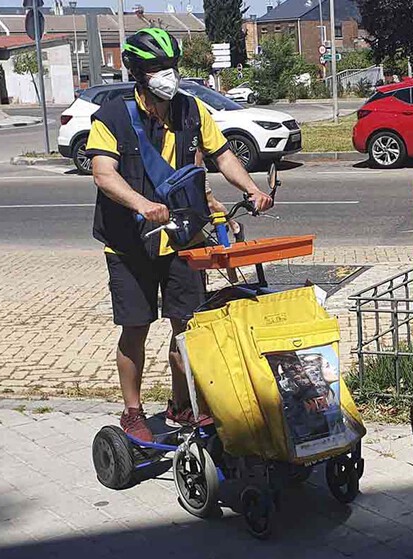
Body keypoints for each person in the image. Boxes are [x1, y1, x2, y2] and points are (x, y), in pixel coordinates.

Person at [86, 27, 274, 442]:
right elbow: (103, 172)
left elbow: (222, 154)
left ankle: (181, 405)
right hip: (129, 241)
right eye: (157, 68)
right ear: (138, 72)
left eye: (171, 67)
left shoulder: (191, 110)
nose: (166, 76)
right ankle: (133, 412)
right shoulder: (113, 116)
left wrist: (252, 190)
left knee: (187, 327)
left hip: (183, 238)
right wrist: (142, 205)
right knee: (135, 327)